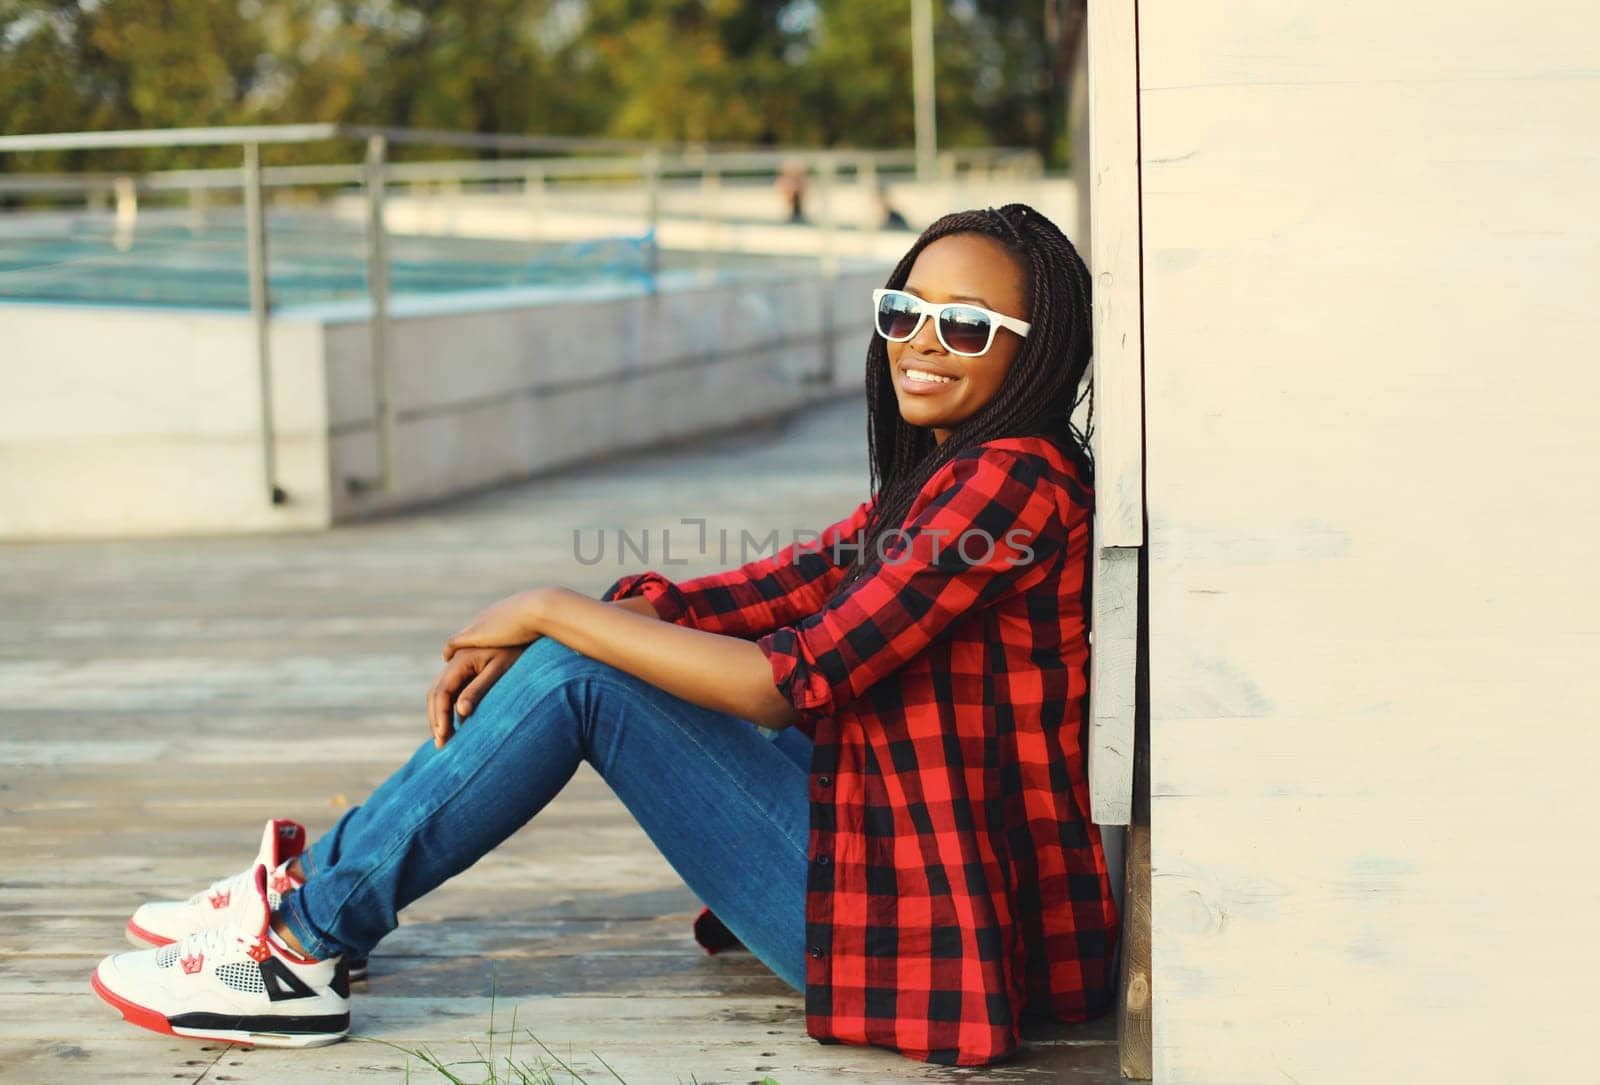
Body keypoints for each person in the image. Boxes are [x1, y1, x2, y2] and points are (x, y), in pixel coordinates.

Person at [91, 203, 1118, 1068]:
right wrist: (621, 611)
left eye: (968, 326)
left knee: (580, 671)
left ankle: (299, 940)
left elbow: (786, 679)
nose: (922, 341)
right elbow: (792, 580)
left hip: (917, 925)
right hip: (889, 871)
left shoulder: (1011, 480)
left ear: (1039, 353)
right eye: (904, 311)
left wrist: (552, 612)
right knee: (585, 654)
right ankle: (313, 898)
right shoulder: (953, 479)